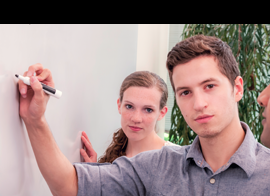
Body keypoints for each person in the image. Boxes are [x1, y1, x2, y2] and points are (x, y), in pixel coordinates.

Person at [19, 35, 270, 196]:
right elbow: (67, 185)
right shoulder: (157, 165)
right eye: (185, 92)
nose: (199, 103)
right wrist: (34, 120)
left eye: (210, 86)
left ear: (237, 88)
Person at [80, 71, 178, 164]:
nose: (136, 119)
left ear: (162, 113)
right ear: (119, 106)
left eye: (148, 110)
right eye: (129, 106)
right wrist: (94, 173)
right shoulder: (112, 159)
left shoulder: (176, 159)